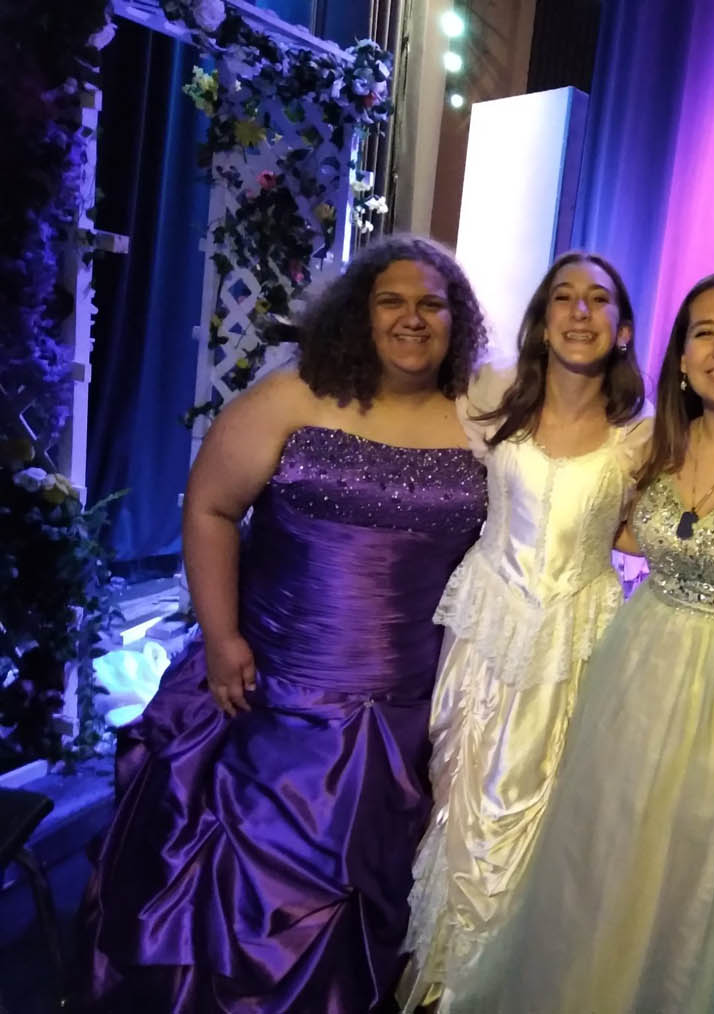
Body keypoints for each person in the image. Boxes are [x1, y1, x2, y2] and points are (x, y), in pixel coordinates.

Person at [80, 236, 490, 1012]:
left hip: (412, 711)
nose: (412, 318)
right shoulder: (294, 397)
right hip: (267, 696)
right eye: (391, 301)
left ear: (456, 321)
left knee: (379, 892)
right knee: (239, 891)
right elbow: (210, 509)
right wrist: (222, 637)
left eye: (431, 305)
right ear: (358, 314)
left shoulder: (480, 421)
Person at [488, 271, 714, 1013]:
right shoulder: (655, 447)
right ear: (682, 359)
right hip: (641, 671)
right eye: (704, 333)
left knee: (713, 868)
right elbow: (592, 522)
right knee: (615, 853)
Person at [397, 251, 651, 1012]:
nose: (580, 312)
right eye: (563, 297)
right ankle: (446, 987)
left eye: (598, 299)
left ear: (623, 328)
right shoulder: (488, 400)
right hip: (486, 634)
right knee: (464, 805)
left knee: (553, 815)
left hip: (580, 642)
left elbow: (656, 527)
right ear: (542, 322)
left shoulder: (641, 437)